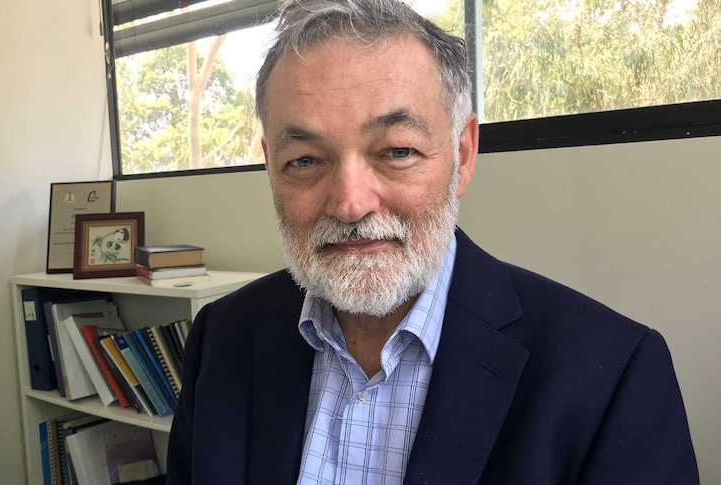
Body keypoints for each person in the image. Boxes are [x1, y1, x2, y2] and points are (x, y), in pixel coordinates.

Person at [166, 0, 699, 483]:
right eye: (304, 160)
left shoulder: (610, 375)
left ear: (462, 155)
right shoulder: (222, 336)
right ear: (270, 166)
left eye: (397, 151)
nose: (350, 203)